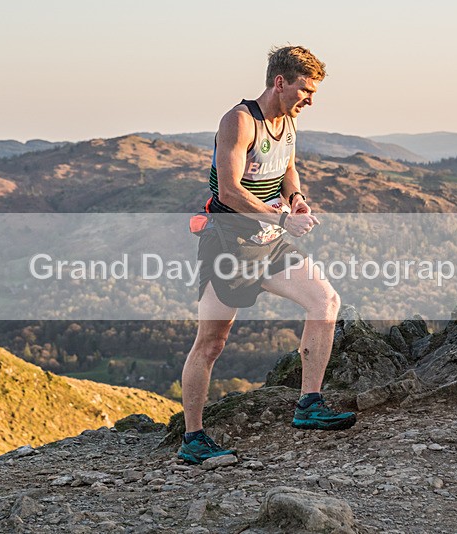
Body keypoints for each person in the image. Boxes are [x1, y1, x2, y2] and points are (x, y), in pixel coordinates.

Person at [177, 45, 356, 465]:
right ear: (280, 82)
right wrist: (280, 221)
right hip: (229, 242)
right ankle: (193, 439)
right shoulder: (239, 121)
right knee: (212, 342)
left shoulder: (289, 122)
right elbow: (229, 191)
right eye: (305, 90)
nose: (310, 99)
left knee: (325, 300)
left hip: (269, 239)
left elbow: (288, 168)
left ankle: (309, 405)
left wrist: (295, 199)